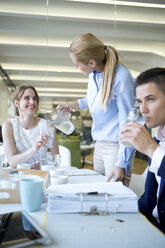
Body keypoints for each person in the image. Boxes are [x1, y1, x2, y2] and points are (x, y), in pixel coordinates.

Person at [58, 33, 135, 186]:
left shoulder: (121, 79)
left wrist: (122, 162)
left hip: (116, 148)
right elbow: (99, 100)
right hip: (99, 145)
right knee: (99, 197)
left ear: (92, 62)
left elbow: (129, 124)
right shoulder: (95, 75)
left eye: (77, 64)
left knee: (114, 201)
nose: (75, 67)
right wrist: (74, 105)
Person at [119, 67, 165, 233]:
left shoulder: (154, 146)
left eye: (150, 99)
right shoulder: (158, 140)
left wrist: (152, 150)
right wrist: (115, 208)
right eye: (139, 102)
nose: (143, 109)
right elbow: (148, 201)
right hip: (151, 227)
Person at [2, 84, 59, 169]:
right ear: (16, 103)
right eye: (26, 98)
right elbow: (12, 162)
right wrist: (34, 149)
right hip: (16, 177)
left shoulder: (47, 126)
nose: (32, 102)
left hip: (41, 175)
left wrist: (43, 166)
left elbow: (55, 159)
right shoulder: (9, 126)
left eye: (34, 98)